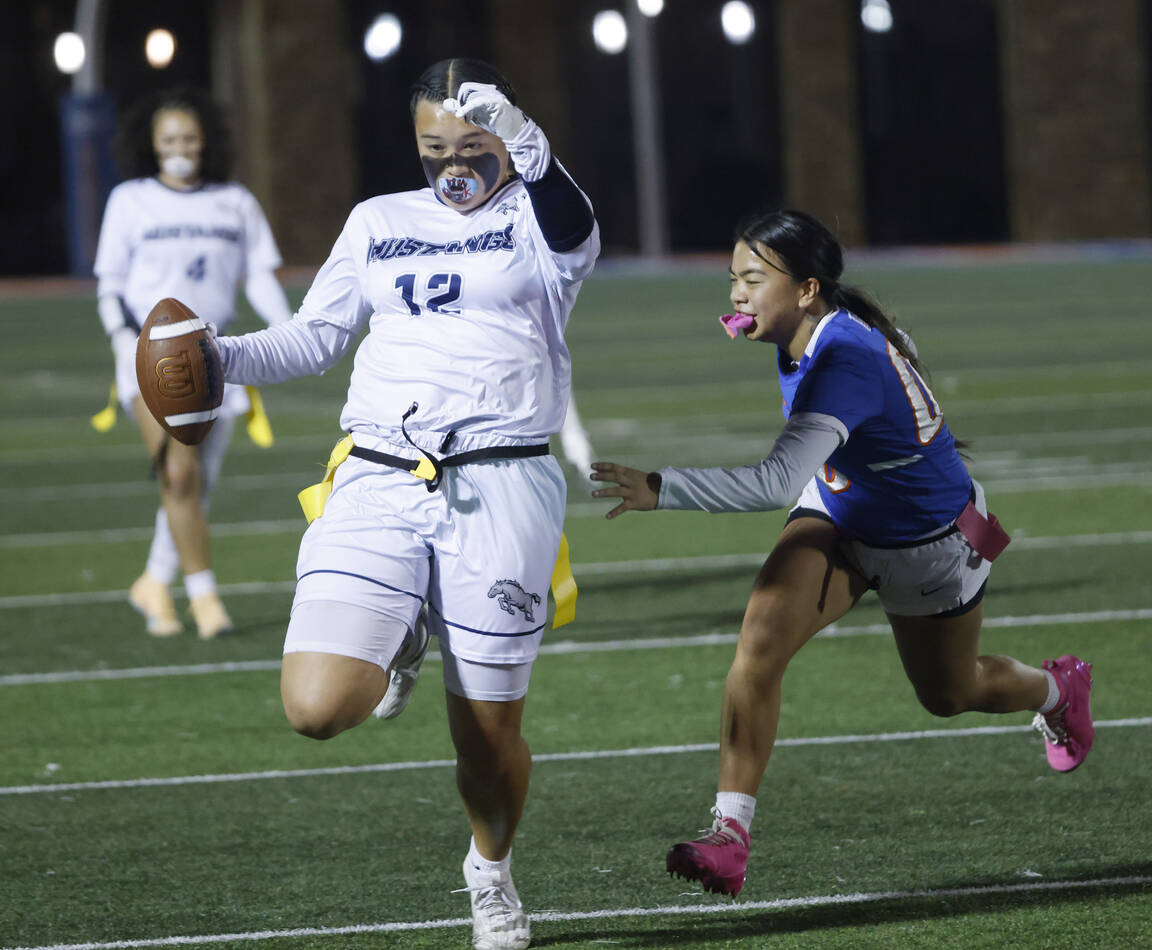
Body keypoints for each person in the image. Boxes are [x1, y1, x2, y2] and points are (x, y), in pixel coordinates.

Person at [208, 59, 599, 950]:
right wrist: (217, 353)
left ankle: (489, 872)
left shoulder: (538, 215)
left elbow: (575, 229)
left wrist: (530, 143)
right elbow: (314, 336)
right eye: (434, 148)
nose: (453, 164)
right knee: (315, 707)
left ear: (505, 138)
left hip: (500, 483)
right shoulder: (379, 219)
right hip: (382, 472)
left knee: (487, 746)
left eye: (473, 144)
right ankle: (407, 628)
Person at [591, 209, 1094, 899]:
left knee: (951, 695)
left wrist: (661, 488)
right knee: (758, 644)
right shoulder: (811, 333)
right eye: (732, 277)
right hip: (840, 507)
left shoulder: (842, 358)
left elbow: (771, 482)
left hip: (928, 541)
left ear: (806, 288)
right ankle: (729, 836)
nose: (736, 294)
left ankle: (1060, 691)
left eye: (752, 278)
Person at [94, 85, 292, 639]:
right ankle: (206, 600)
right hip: (148, 356)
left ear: (206, 142)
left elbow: (257, 276)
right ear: (152, 145)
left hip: (218, 357)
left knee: (195, 483)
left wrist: (289, 331)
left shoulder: (235, 202)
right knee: (178, 472)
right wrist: (120, 340)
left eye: (189, 137)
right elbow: (109, 284)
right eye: (169, 138)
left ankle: (155, 582)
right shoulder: (130, 200)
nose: (180, 146)